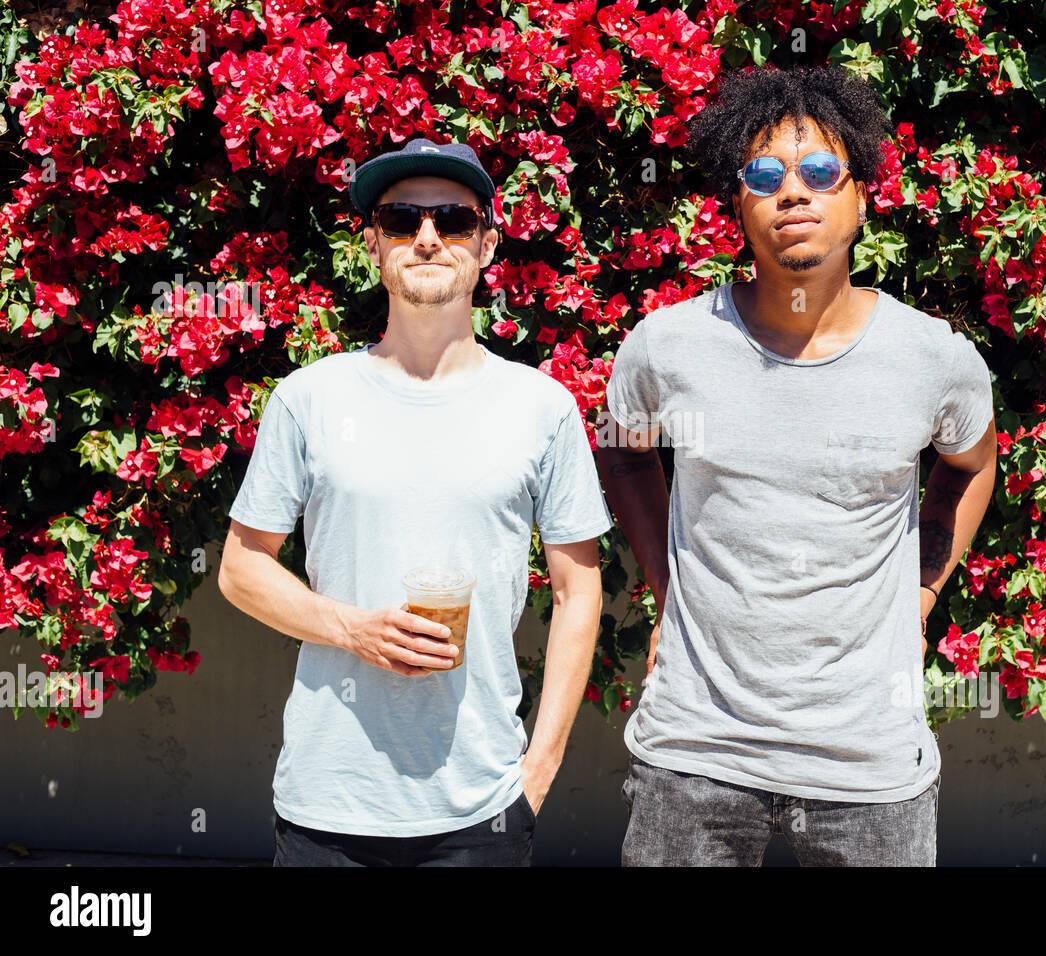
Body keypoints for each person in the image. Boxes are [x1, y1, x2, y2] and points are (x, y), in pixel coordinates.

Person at [596, 65, 998, 867]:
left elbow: (971, 464)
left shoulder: (932, 359)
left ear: (859, 197)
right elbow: (624, 454)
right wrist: (666, 586)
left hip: (868, 764)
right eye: (764, 174)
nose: (794, 193)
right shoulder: (667, 347)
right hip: (695, 751)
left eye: (820, 172)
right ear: (738, 201)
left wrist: (921, 592)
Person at [218, 138, 612, 866]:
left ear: (488, 244)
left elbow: (577, 589)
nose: (427, 237)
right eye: (402, 220)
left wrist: (539, 772)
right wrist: (351, 629)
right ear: (374, 246)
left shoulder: (543, 408)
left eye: (453, 221)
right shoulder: (309, 397)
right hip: (327, 803)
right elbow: (242, 570)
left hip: (484, 808)